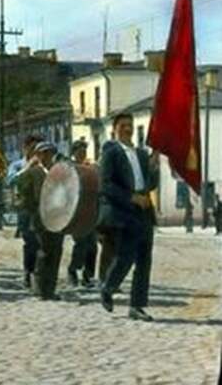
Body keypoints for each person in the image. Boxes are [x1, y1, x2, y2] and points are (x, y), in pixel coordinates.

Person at [98, 112, 159, 322]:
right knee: (125, 256)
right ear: (114, 129)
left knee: (144, 260)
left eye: (130, 125)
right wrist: (131, 197)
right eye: (123, 125)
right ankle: (108, 286)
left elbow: (150, 184)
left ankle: (137, 306)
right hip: (125, 211)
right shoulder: (111, 153)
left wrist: (154, 168)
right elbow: (105, 185)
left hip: (144, 212)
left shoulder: (142, 154)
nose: (127, 129)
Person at [19, 141, 64, 300]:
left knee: (56, 252)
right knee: (43, 252)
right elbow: (25, 197)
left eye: (49, 153)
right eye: (43, 153)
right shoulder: (32, 173)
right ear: (37, 155)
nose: (46, 156)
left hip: (58, 218)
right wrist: (35, 213)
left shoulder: (59, 172)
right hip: (40, 219)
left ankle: (50, 289)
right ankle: (39, 288)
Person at [10, 134, 43, 288]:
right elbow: (10, 180)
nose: (36, 152)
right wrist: (28, 167)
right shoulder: (17, 165)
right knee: (30, 241)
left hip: (42, 207)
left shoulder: (44, 165)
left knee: (42, 242)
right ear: (25, 148)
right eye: (32, 148)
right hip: (25, 207)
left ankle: (39, 273)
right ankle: (28, 272)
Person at [66, 140, 98, 289]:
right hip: (77, 212)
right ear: (74, 153)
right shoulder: (69, 168)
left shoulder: (91, 168)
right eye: (79, 151)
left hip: (90, 211)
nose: (82, 154)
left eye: (84, 151)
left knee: (92, 246)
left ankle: (88, 276)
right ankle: (73, 270)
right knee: (81, 244)